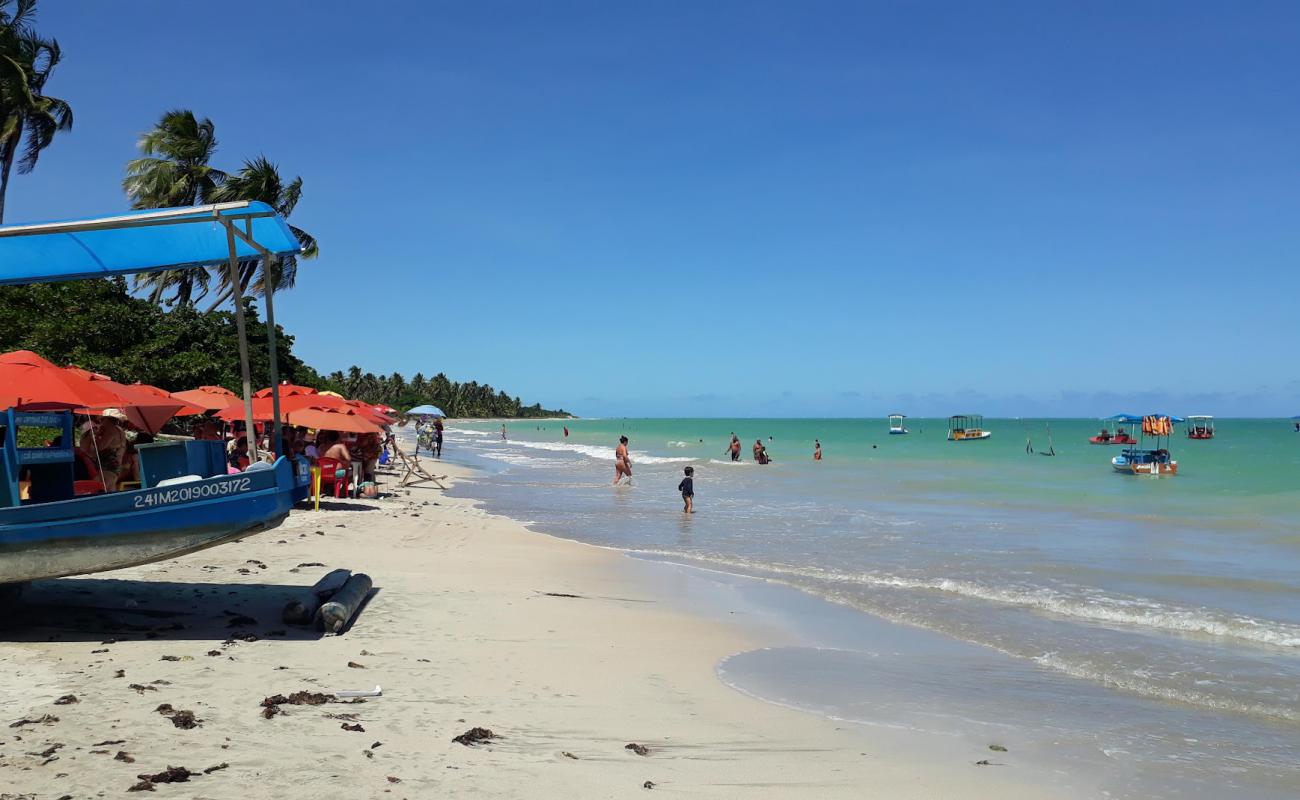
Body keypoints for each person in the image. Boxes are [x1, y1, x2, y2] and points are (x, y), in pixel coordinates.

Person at [80, 410, 128, 491]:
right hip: (115, 464)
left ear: (106, 418)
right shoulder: (119, 430)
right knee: (110, 488)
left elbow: (99, 447)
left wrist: (95, 437)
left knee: (104, 488)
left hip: (107, 465)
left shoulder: (110, 429)